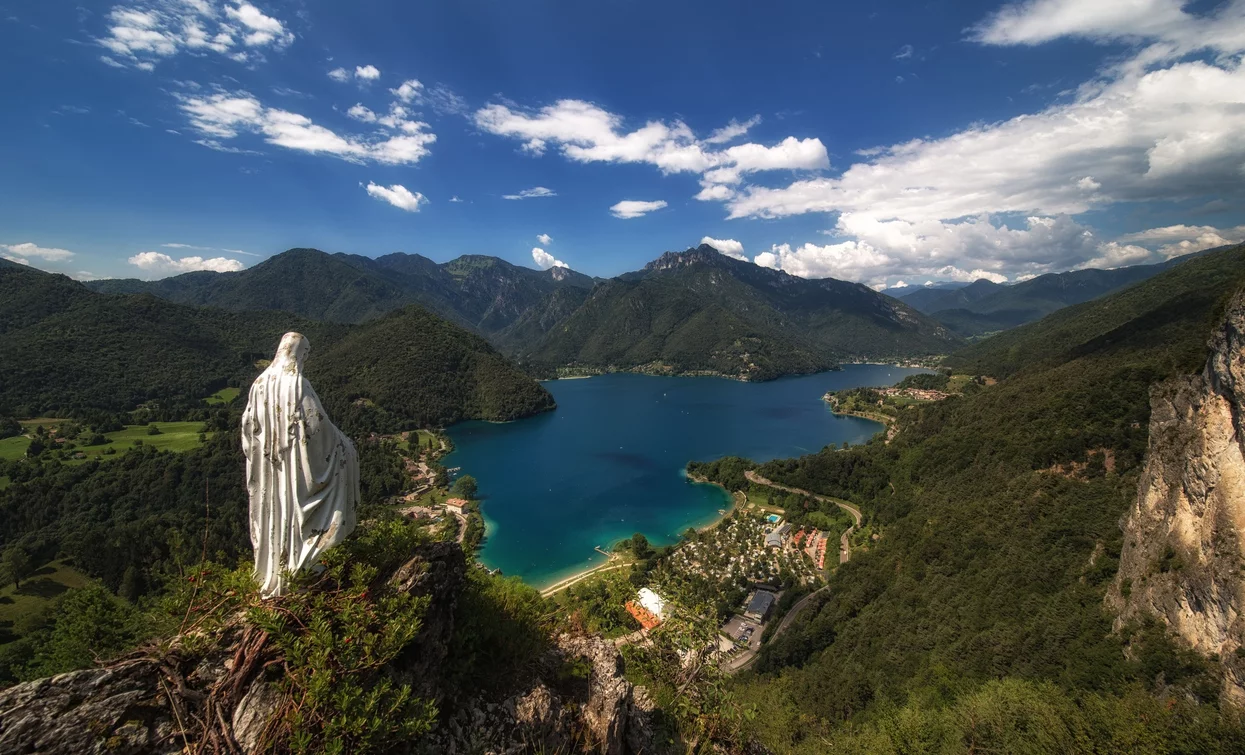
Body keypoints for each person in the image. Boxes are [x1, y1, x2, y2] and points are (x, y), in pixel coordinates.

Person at [241, 332, 358, 598]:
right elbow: (317, 427)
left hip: (272, 470)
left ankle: (275, 572)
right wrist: (344, 444)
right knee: (297, 513)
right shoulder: (297, 384)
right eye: (305, 355)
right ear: (300, 354)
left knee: (276, 514)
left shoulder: (258, 384)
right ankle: (303, 568)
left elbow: (248, 432)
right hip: (296, 470)